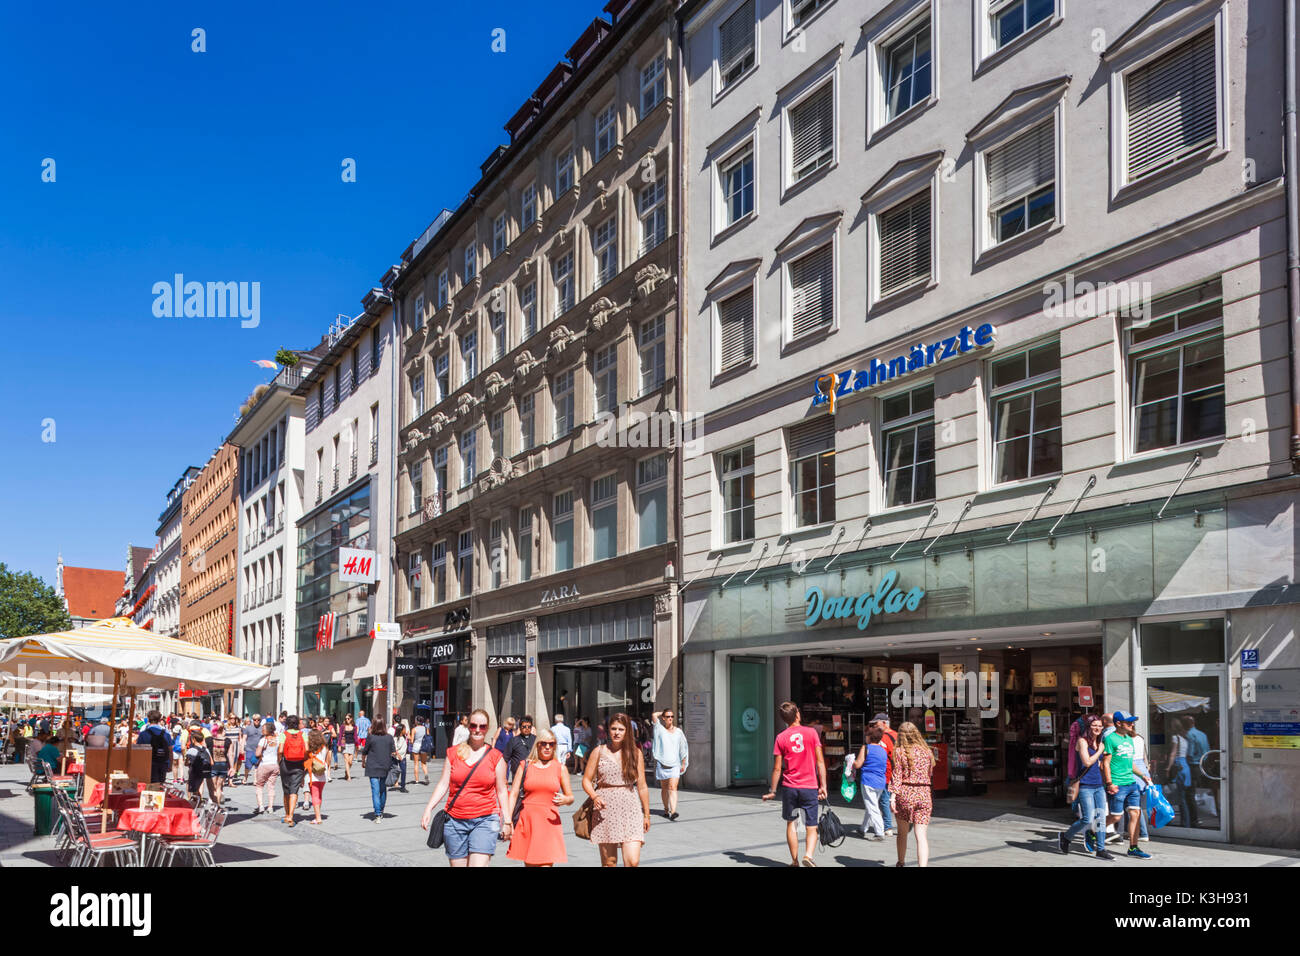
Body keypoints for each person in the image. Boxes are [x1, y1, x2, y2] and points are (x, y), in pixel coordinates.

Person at [421, 708, 511, 866]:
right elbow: (443, 783)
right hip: (455, 821)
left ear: (487, 728)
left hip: (485, 819)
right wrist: (429, 808)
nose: (477, 730)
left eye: (482, 726)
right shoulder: (453, 753)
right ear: (468, 726)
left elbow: (502, 791)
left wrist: (507, 821)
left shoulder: (495, 757)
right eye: (474, 725)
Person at [582, 712, 651, 867]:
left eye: (621, 729)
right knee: (609, 862)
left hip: (630, 808)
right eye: (613, 729)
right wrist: (594, 796)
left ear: (627, 731)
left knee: (632, 861)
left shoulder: (635, 753)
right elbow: (586, 780)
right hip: (605, 809)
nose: (617, 733)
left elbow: (642, 786)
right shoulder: (598, 751)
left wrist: (646, 814)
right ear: (608, 730)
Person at [762, 701, 827, 867]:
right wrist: (823, 785)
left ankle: (795, 861)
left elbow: (777, 768)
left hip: (790, 786)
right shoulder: (811, 733)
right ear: (798, 714)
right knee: (811, 825)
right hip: (809, 786)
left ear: (784, 719)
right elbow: (820, 762)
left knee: (792, 823)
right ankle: (808, 856)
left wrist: (773, 790)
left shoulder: (781, 738)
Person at [505, 726, 573, 866]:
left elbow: (570, 797)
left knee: (546, 863)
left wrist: (566, 800)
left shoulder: (560, 768)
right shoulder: (525, 765)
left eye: (551, 744)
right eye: (543, 743)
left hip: (549, 822)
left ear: (555, 746)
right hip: (528, 821)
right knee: (529, 863)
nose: (547, 747)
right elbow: (514, 794)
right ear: (537, 745)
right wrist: (508, 821)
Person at [1060, 714, 1113, 859]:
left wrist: (1109, 781)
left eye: (1100, 726)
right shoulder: (1082, 742)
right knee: (1087, 819)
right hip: (1085, 785)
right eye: (1094, 725)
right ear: (1088, 727)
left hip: (1099, 785)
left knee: (1101, 817)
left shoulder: (1100, 742)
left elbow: (1099, 764)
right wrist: (1100, 751)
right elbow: (1088, 762)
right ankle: (1066, 837)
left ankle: (1101, 849)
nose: (1097, 728)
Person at [1103, 711, 1152, 859]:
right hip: (1117, 784)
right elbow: (1105, 763)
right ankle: (1092, 832)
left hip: (1131, 784)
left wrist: (1142, 775)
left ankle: (1133, 847)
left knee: (1135, 814)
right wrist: (1109, 783)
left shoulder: (1129, 739)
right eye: (1129, 722)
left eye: (1132, 721)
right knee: (1116, 817)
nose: (1132, 724)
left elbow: (1130, 763)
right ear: (1118, 723)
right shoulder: (1110, 739)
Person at [889, 722, 935, 867]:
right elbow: (930, 773)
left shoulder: (900, 751)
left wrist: (892, 796)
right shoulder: (927, 751)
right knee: (921, 836)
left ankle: (901, 862)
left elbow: (897, 776)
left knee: (902, 833)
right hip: (924, 794)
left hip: (905, 794)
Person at [650, 709, 688, 820]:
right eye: (667, 716)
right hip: (662, 764)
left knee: (673, 787)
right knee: (664, 788)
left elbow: (683, 747)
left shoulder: (678, 732)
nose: (670, 718)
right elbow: (653, 715)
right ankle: (666, 809)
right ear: (663, 718)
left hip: (675, 764)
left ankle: (673, 811)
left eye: (672, 716)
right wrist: (661, 712)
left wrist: (683, 762)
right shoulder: (660, 729)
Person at [853, 725, 888, 840]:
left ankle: (879, 832)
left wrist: (851, 761)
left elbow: (858, 764)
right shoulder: (883, 750)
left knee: (872, 806)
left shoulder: (866, 748)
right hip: (880, 782)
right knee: (871, 805)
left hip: (868, 780)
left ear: (869, 737)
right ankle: (863, 828)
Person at [1164, 717, 1198, 829]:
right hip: (1185, 766)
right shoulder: (1184, 738)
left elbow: (1173, 754)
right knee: (1183, 796)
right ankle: (1186, 821)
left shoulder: (1175, 738)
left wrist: (1168, 768)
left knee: (1180, 797)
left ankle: (1184, 823)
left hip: (1178, 765)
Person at [361, 719, 395, 822]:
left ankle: (378, 814)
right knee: (383, 789)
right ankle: (381, 810)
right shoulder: (389, 737)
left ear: (374, 725)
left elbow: (365, 751)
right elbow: (393, 751)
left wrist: (363, 761)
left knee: (375, 791)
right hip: (385, 765)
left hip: (372, 766)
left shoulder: (371, 737)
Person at [871, 713, 899, 837]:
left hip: (886, 772)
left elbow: (881, 755)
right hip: (897, 772)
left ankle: (887, 826)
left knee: (884, 800)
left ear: (883, 723)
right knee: (895, 799)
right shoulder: (897, 735)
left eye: (876, 724)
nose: (875, 726)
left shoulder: (883, 738)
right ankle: (905, 821)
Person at [279, 715, 309, 827]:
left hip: (285, 764)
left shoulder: (284, 734)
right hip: (299, 764)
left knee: (286, 789)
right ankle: (291, 816)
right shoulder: (303, 734)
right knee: (294, 790)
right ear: (297, 723)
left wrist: (279, 762)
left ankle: (287, 815)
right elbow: (306, 749)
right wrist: (303, 758)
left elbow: (280, 750)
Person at [136, 710, 173, 784]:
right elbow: (170, 750)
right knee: (160, 785)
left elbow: (139, 751)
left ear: (148, 719)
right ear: (159, 720)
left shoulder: (143, 734)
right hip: (163, 762)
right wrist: (170, 764)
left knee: (150, 785)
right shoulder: (166, 732)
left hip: (148, 764)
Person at [252, 722, 280, 815]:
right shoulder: (277, 739)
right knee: (271, 786)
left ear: (268, 730)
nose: (262, 730)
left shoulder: (263, 740)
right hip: (274, 764)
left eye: (263, 729)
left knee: (259, 785)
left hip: (264, 764)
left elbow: (257, 754)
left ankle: (261, 806)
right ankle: (270, 807)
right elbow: (280, 752)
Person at [306, 728, 331, 824]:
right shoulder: (324, 747)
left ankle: (318, 817)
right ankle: (318, 814)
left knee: (315, 795)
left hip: (313, 774)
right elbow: (327, 759)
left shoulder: (309, 748)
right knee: (319, 794)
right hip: (323, 772)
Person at [185, 728, 216, 802]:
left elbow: (186, 763)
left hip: (194, 772)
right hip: (204, 771)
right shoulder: (206, 749)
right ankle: (199, 801)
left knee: (194, 789)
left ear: (193, 740)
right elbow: (212, 762)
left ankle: (195, 803)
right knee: (199, 786)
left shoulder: (191, 750)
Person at [506, 716, 536, 781]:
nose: (527, 728)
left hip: (533, 774)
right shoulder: (513, 741)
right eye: (524, 727)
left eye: (529, 727)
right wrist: (504, 777)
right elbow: (506, 759)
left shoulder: (536, 739)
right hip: (517, 774)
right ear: (520, 727)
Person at [410, 716, 432, 784]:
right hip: (424, 747)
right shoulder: (426, 729)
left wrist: (409, 737)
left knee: (416, 764)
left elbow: (411, 741)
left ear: (416, 721)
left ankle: (416, 780)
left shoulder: (414, 729)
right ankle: (426, 774)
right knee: (424, 763)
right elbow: (428, 738)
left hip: (416, 747)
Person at [241, 716, 262, 785]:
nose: (257, 721)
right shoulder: (248, 728)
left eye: (258, 720)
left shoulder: (262, 728)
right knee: (248, 765)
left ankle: (255, 780)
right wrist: (242, 748)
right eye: (255, 719)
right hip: (249, 749)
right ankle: (245, 776)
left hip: (258, 749)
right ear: (253, 720)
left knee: (257, 765)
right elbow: (244, 738)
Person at [391, 722, 409, 793]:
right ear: (401, 730)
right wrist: (398, 755)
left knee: (403, 771)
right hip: (397, 757)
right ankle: (392, 782)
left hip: (403, 757)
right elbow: (394, 748)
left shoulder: (404, 737)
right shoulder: (396, 738)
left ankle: (403, 786)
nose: (405, 730)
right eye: (404, 729)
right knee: (395, 770)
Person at [340, 714, 358, 780]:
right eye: (346, 719)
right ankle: (349, 776)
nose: (347, 720)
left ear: (351, 719)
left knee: (350, 762)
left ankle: (346, 771)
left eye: (348, 718)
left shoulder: (354, 727)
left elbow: (355, 736)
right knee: (346, 761)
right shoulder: (342, 726)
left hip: (352, 744)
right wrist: (339, 745)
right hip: (344, 745)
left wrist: (357, 744)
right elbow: (340, 736)